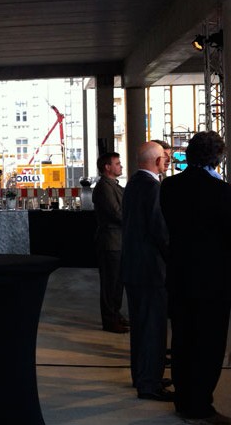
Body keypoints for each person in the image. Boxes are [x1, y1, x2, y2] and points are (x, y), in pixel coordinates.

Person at [160, 131, 231, 424]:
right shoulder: (223, 192)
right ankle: (200, 406)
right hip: (213, 280)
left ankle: (183, 402)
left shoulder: (170, 187)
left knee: (182, 340)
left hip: (179, 276)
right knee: (209, 343)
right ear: (217, 157)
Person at [121, 141, 172, 401]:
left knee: (141, 328)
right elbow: (159, 229)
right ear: (156, 161)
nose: (168, 161)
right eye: (164, 158)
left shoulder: (132, 184)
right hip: (151, 270)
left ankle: (141, 376)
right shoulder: (152, 187)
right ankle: (150, 383)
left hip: (133, 268)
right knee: (153, 328)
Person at [92, 152, 128, 333]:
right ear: (107, 167)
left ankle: (115, 314)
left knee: (117, 282)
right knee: (110, 283)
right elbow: (117, 213)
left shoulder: (113, 185)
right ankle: (109, 320)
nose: (120, 166)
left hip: (118, 241)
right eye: (117, 163)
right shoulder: (104, 187)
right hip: (110, 242)